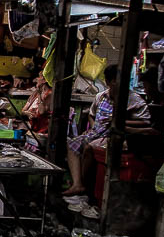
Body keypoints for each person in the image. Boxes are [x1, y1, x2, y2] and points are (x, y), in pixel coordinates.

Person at [63, 64, 149, 196]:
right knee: (71, 145)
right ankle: (77, 183)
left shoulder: (135, 100)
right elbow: (92, 115)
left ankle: (84, 187)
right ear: (108, 82)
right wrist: (93, 127)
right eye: (115, 81)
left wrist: (118, 121)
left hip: (115, 136)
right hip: (96, 132)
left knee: (89, 148)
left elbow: (145, 122)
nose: (119, 85)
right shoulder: (100, 96)